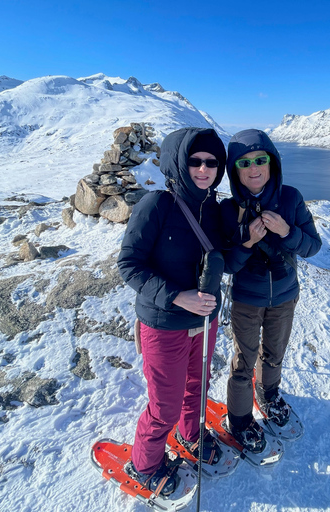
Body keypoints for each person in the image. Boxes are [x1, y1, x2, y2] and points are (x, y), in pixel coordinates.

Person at [117, 127, 226, 495]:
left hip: (205, 321)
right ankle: (144, 464)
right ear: (179, 162)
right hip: (164, 323)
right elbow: (129, 264)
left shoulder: (213, 209)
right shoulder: (156, 205)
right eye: (194, 160)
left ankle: (191, 435)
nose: (203, 168)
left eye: (212, 162)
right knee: (164, 403)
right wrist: (178, 296)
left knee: (198, 387)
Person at [221, 129, 322, 452]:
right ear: (234, 169)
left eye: (260, 160)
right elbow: (228, 265)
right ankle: (238, 421)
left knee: (274, 353)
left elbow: (312, 247)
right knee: (244, 361)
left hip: (284, 296)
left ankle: (269, 394)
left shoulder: (290, 198)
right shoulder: (228, 209)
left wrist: (287, 231)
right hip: (247, 300)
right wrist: (247, 242)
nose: (254, 168)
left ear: (272, 162)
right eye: (244, 162)